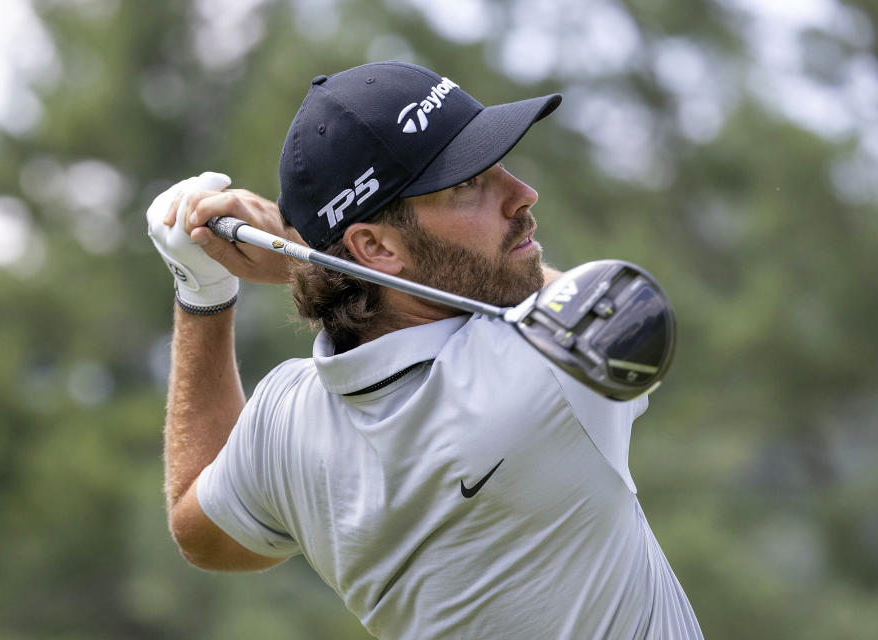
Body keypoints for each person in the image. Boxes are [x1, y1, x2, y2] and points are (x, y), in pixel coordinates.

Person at [147, 61, 703, 639]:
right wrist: (292, 248)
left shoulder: (283, 425)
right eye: (468, 184)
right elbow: (619, 304)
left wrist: (203, 293)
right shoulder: (538, 372)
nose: (521, 194)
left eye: (496, 166)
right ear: (376, 248)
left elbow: (200, 529)